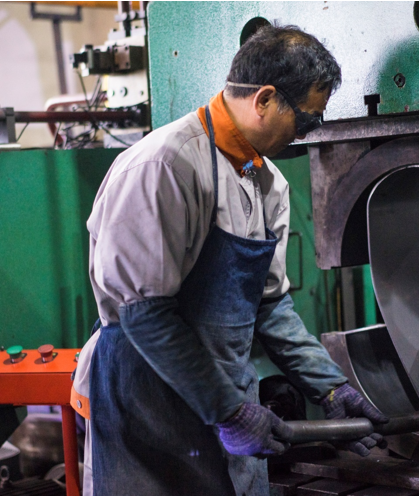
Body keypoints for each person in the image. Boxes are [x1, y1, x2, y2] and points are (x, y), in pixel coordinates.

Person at [70, 24, 388, 496]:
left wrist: (330, 387)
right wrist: (229, 411)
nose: (306, 134)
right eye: (306, 121)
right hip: (147, 401)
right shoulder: (165, 166)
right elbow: (146, 316)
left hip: (226, 397)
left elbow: (270, 306)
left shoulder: (269, 185)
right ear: (265, 100)